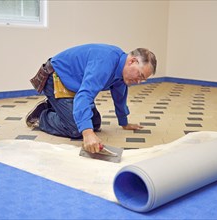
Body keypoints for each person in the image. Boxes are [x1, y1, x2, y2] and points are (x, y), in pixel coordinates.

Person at [26, 43, 157, 154]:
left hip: (75, 85)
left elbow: (120, 95)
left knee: (94, 123)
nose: (139, 81)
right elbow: (85, 95)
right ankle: (40, 115)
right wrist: (87, 134)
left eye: (143, 79)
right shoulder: (105, 61)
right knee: (77, 128)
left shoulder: (121, 71)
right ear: (132, 61)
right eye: (140, 75)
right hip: (56, 78)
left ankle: (55, 106)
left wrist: (124, 122)